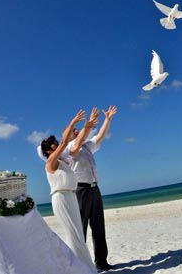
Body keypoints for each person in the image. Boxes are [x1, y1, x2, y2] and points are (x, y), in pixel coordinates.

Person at [40, 109, 98, 272]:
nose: (58, 146)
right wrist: (73, 121)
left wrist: (86, 127)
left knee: (78, 235)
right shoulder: (51, 161)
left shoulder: (63, 160)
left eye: (57, 143)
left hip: (71, 197)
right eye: (54, 145)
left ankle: (85, 267)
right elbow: (66, 142)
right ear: (48, 152)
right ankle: (80, 269)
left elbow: (77, 143)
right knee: (73, 235)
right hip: (61, 198)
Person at [63, 105, 117, 272]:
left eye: (79, 130)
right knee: (82, 229)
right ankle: (81, 265)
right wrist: (87, 126)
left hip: (94, 189)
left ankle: (101, 262)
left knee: (99, 227)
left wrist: (107, 119)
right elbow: (77, 141)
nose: (78, 132)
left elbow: (100, 136)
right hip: (80, 190)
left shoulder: (86, 147)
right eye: (75, 131)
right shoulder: (68, 149)